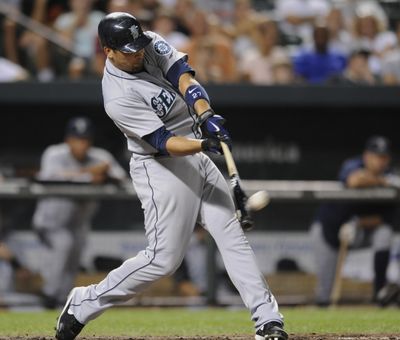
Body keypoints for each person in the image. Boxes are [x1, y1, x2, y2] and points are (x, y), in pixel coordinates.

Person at [55, 12, 288, 340]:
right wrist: (204, 142)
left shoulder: (148, 43)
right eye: (128, 50)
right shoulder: (118, 96)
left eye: (139, 46)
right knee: (163, 260)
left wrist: (206, 114)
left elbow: (184, 78)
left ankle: (267, 319)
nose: (137, 53)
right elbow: (164, 143)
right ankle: (84, 302)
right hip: (161, 167)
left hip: (193, 152)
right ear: (107, 51)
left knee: (231, 233)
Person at [32, 116, 127, 309]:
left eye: (85, 139)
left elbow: (120, 177)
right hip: (51, 222)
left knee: (73, 260)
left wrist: (106, 173)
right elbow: (49, 176)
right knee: (62, 245)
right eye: (77, 139)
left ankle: (60, 301)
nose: (81, 144)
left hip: (78, 222)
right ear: (68, 140)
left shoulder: (100, 156)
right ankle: (50, 296)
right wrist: (89, 174)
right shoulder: (54, 154)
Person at [311, 135, 396, 306]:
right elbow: (355, 180)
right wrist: (383, 182)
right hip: (329, 229)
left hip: (360, 229)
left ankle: (380, 291)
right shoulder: (353, 165)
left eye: (384, 157)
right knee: (325, 294)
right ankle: (323, 321)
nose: (380, 161)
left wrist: (358, 223)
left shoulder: (392, 175)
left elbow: (390, 218)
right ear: (366, 156)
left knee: (384, 233)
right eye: (376, 156)